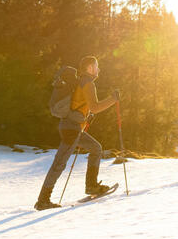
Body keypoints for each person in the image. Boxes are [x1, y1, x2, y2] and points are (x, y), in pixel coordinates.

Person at [35, 55, 118, 210]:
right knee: (59, 163)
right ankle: (43, 200)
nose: (98, 69)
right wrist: (112, 99)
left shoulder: (81, 82)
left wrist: (85, 117)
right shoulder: (88, 83)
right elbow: (95, 107)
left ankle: (91, 186)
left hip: (72, 126)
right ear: (89, 68)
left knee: (96, 148)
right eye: (96, 66)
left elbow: (79, 105)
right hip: (71, 128)